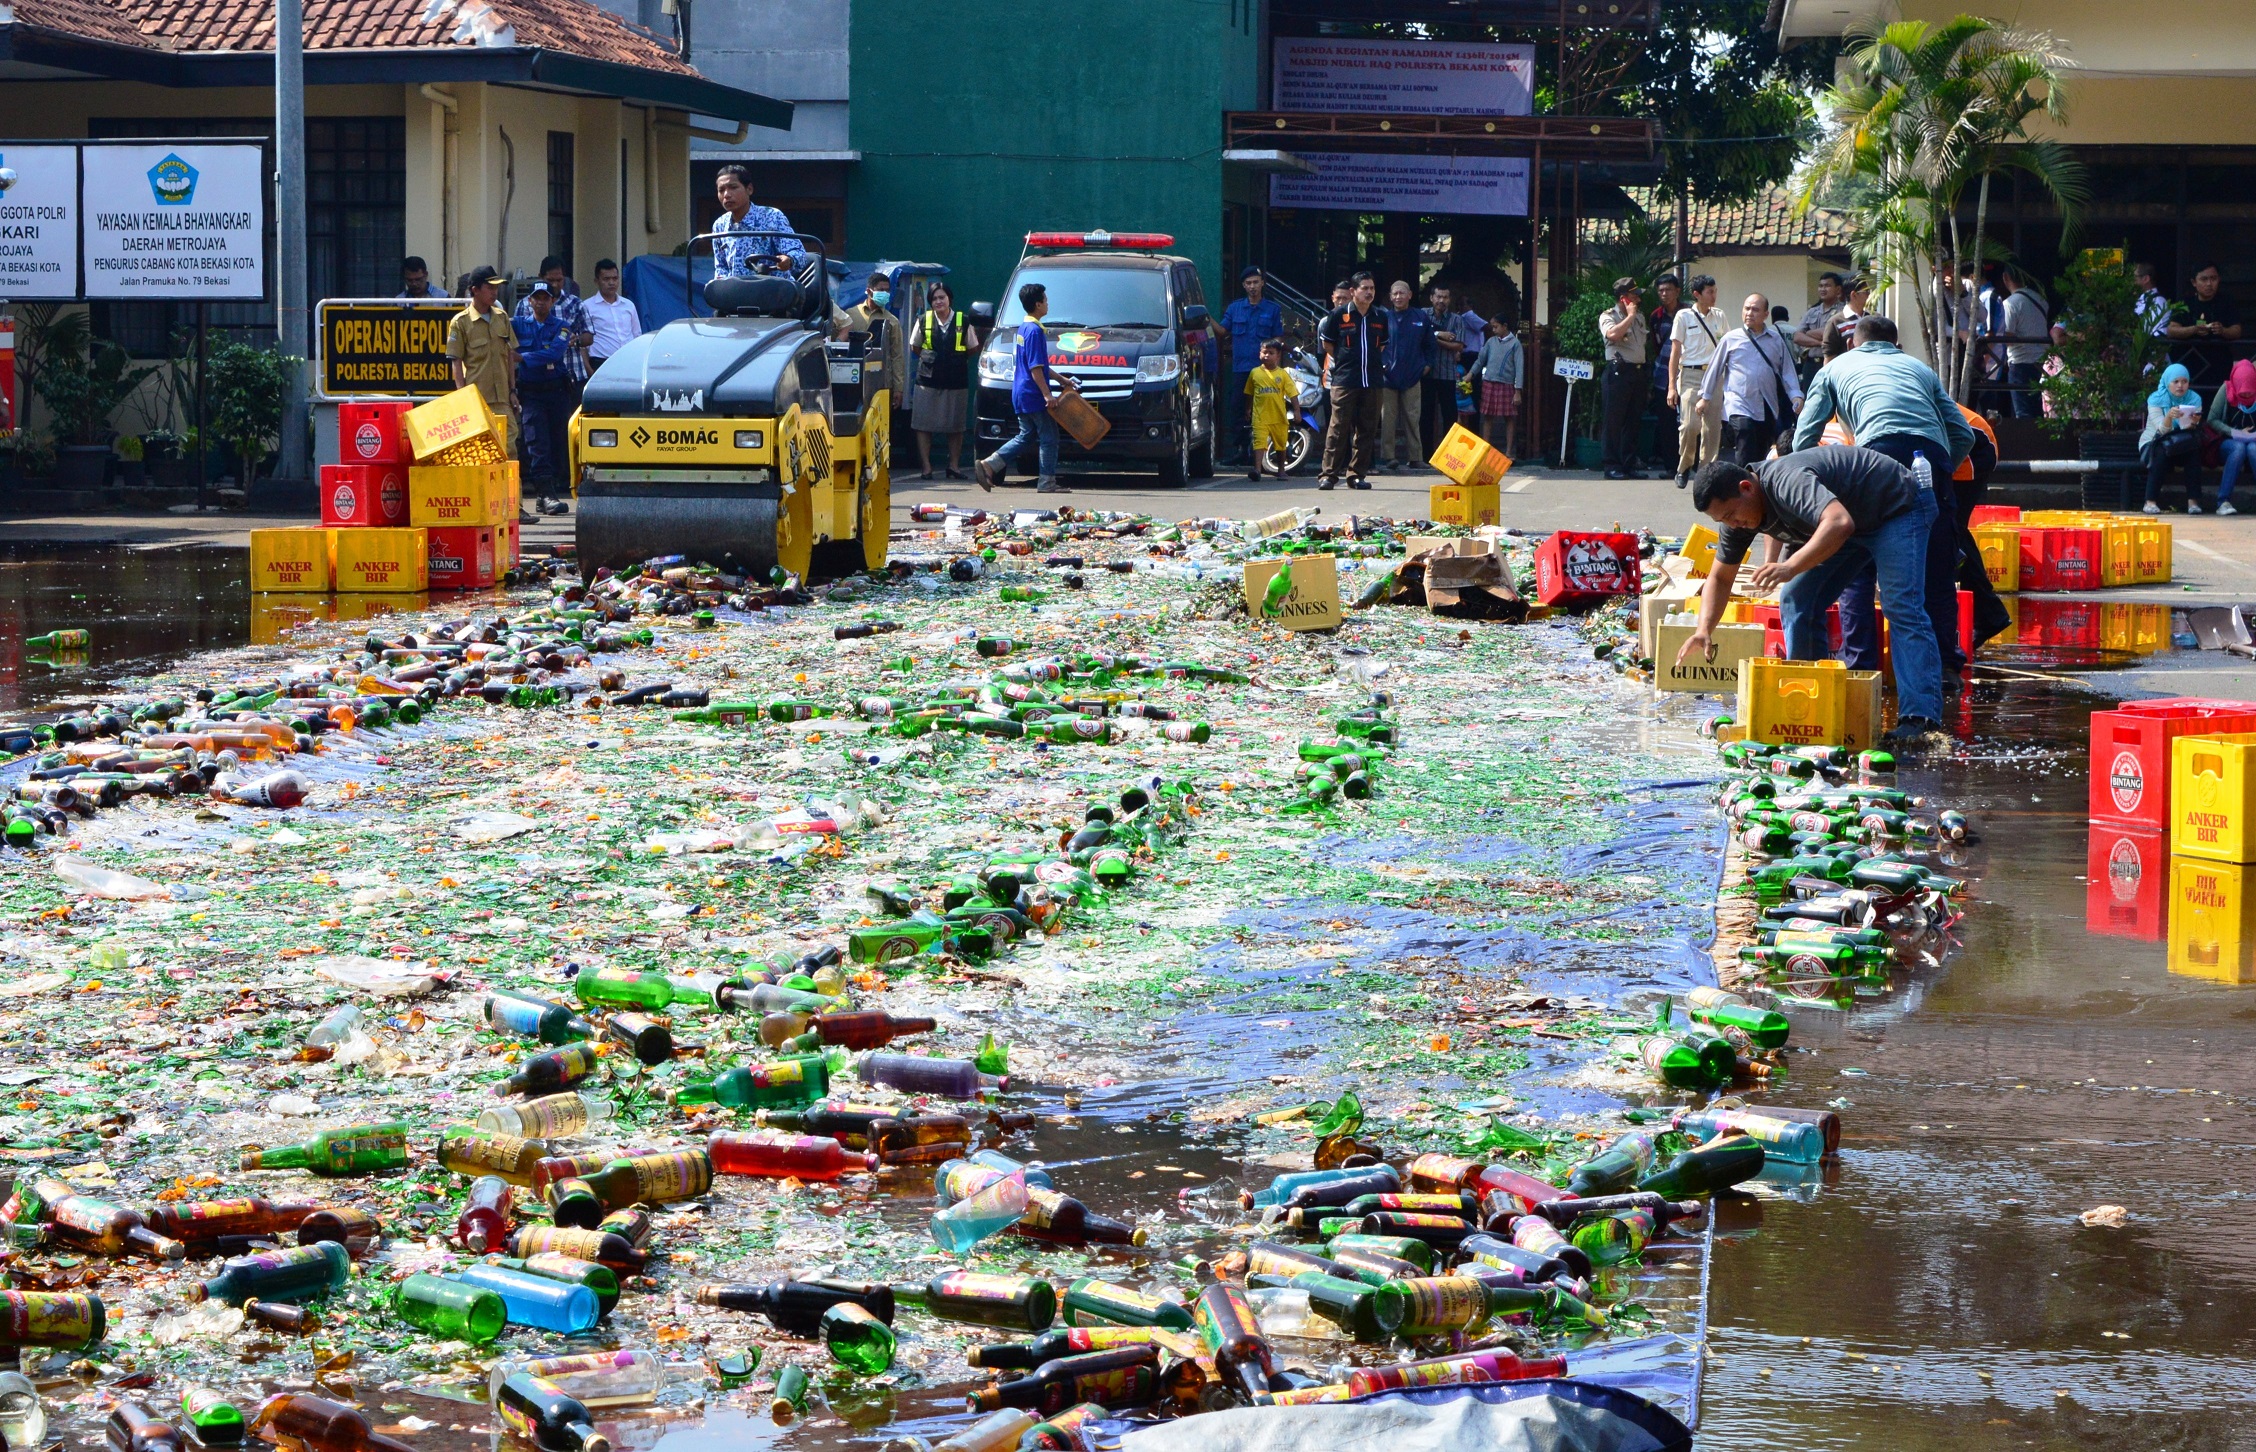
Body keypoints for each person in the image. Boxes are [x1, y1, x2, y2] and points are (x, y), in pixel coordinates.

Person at [1679, 451, 1946, 747]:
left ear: (1746, 487)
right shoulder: (1737, 516)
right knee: (1797, 597)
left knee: (1901, 605)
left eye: (1731, 515)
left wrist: (1790, 566)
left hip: (1896, 506)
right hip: (1853, 523)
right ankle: (1810, 703)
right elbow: (1719, 578)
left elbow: (1838, 522)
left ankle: (1920, 721)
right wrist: (1703, 630)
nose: (1734, 524)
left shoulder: (1786, 482)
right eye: (1723, 520)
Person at [1792, 313, 1976, 680]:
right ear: (1896, 346)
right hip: (1932, 460)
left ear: (1851, 344)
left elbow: (1802, 441)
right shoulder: (1919, 369)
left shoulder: (1834, 368)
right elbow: (1964, 436)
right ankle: (1945, 670)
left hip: (1874, 460)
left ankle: (1861, 668)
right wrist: (1937, 472)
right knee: (1936, 566)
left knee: (1859, 565)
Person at [975, 281, 1078, 495]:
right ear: (1038, 304)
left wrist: (1061, 380)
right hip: (1033, 394)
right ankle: (1047, 482)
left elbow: (1040, 364)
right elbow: (1035, 368)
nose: (1048, 304)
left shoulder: (1024, 328)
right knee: (1049, 436)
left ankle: (990, 464)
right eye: (1046, 300)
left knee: (1026, 435)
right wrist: (1047, 395)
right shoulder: (1034, 331)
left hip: (1022, 392)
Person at [1698, 293, 1801, 466]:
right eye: (1746, 308)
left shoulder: (1775, 340)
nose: (1749, 313)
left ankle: (1756, 487)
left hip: (1767, 405)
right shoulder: (1731, 339)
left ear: (1766, 315)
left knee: (1761, 451)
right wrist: (1704, 397)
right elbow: (1714, 369)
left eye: (1755, 310)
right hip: (1739, 403)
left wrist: (1796, 395)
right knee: (1745, 438)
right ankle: (1742, 484)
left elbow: (1787, 371)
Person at [1317, 273, 1387, 492]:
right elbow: (1329, 345)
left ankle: (1357, 475)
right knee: (1338, 428)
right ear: (1353, 291)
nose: (1369, 292)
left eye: (1372, 288)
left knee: (1366, 429)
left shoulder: (1380, 316)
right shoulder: (1338, 315)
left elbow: (1381, 346)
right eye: (1364, 288)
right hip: (1345, 379)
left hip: (1372, 380)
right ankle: (1328, 475)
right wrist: (1348, 358)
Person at [446, 264, 519, 471]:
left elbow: (509, 356)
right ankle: (488, 501)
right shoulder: (460, 323)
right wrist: (462, 397)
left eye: (496, 288)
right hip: (477, 399)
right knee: (481, 452)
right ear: (475, 290)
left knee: (510, 448)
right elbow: (456, 361)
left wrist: (513, 390)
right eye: (490, 287)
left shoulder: (502, 317)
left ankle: (514, 501)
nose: (494, 292)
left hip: (502, 398)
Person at [512, 281, 575, 516]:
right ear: (529, 301)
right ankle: (546, 494)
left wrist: (522, 357)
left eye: (545, 298)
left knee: (558, 443)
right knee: (537, 443)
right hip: (531, 393)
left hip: (557, 392)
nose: (541, 301)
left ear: (552, 301)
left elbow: (555, 352)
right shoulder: (517, 325)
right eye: (536, 297)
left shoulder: (562, 326)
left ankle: (545, 494)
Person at [909, 281, 981, 480]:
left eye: (942, 297)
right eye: (934, 299)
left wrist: (955, 359)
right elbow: (915, 346)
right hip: (927, 381)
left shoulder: (963, 321)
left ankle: (954, 467)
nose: (938, 301)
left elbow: (973, 347)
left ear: (950, 298)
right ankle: (926, 467)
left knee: (956, 425)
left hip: (956, 381)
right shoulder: (923, 320)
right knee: (923, 424)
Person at [1214, 267, 1282, 464]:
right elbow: (1221, 331)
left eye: (1256, 282)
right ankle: (1241, 450)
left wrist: (1271, 348)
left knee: (1266, 408)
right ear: (1244, 285)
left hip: (1265, 370)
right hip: (1241, 368)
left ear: (1262, 283)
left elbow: (1278, 335)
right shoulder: (1235, 308)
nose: (1252, 286)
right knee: (1237, 408)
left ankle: (1265, 451)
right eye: (1249, 283)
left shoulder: (1272, 309)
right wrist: (1205, 317)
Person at [1667, 274, 1725, 489]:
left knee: (1712, 429)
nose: (1714, 295)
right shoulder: (1684, 316)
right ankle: (1684, 466)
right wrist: (1672, 386)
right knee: (1690, 425)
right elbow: (1675, 352)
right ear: (1697, 295)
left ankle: (1705, 474)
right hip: (1690, 374)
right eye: (1709, 292)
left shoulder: (1720, 316)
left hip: (1714, 375)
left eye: (1715, 291)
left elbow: (1727, 346)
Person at [1377, 280, 1435, 472]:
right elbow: (1375, 345)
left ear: (1410, 295)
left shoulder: (1420, 317)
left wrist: (1427, 365)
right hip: (1387, 377)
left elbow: (1430, 345)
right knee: (1388, 418)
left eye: (1402, 293)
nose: (1398, 297)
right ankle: (1389, 456)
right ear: (1390, 296)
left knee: (1413, 417)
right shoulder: (1383, 317)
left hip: (1412, 376)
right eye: (1395, 294)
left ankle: (1415, 457)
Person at [710, 164, 806, 278]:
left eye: (733, 187)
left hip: (775, 291)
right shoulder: (719, 226)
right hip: (736, 292)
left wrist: (789, 260)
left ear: (749, 189)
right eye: (721, 190)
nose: (726, 195)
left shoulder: (772, 217)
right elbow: (721, 267)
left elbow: (799, 254)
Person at [516, 255, 592, 396]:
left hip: (571, 375)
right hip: (535, 379)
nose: (555, 284)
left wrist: (576, 340)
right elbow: (516, 337)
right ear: (540, 277)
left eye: (559, 280)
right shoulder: (525, 304)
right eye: (550, 280)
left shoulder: (576, 303)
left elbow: (589, 335)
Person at [2139, 362, 2207, 514]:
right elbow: (2161, 430)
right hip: (2154, 442)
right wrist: (2169, 417)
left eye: (2184, 381)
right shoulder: (2155, 399)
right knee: (2160, 453)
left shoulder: (2194, 399)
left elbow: (2189, 429)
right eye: (2175, 382)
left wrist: (2194, 422)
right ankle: (2150, 501)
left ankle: (2193, 503)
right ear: (2167, 382)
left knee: (2193, 453)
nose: (2180, 386)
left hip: (2179, 442)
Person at [1598, 278, 1649, 479]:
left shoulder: (1640, 318)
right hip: (1618, 372)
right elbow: (1612, 335)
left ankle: (1628, 464)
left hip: (1637, 372)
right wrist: (1629, 317)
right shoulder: (1608, 316)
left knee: (1633, 421)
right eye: (1634, 295)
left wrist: (1634, 316)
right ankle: (1611, 465)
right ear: (1624, 298)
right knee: (1613, 421)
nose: (1638, 298)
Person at [2168, 263, 2242, 393]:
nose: (2209, 284)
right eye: (2204, 279)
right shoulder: (2185, 303)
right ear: (2194, 282)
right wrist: (2193, 329)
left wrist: (2223, 330)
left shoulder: (2226, 302)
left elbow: (2236, 330)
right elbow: (2171, 330)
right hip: (2189, 365)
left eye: (2213, 279)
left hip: (2219, 364)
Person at [840, 270, 907, 407]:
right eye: (881, 290)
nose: (885, 294)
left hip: (881, 384)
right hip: (853, 380)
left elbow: (897, 356)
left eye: (887, 291)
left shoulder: (892, 321)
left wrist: (898, 388)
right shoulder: (850, 315)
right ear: (869, 291)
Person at [1463, 314, 1523, 456]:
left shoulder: (1515, 344)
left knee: (1509, 418)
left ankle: (1508, 451)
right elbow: (1480, 360)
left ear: (1505, 326)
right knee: (1487, 417)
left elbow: (1519, 368)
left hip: (1507, 384)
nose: (1494, 330)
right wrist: (1470, 374)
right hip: (1489, 382)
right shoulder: (1490, 342)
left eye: (1496, 327)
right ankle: (1484, 450)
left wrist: (1517, 390)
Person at [1996, 270, 2051, 419]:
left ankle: (2027, 442)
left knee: (2024, 414)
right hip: (2043, 363)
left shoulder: (2010, 303)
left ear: (2005, 277)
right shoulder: (2040, 299)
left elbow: (2007, 337)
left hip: (2021, 363)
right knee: (2042, 412)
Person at [1244, 338, 1299, 481]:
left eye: (1271, 353)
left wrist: (1297, 411)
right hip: (1260, 416)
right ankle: (1257, 469)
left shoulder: (1282, 374)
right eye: (1264, 352)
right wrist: (1248, 409)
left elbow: (1293, 394)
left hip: (1278, 417)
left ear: (1278, 356)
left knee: (1280, 445)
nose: (1267, 355)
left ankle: (1281, 470)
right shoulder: (1254, 373)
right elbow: (1249, 393)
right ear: (1259, 354)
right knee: (1259, 442)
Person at [2207, 359, 2256, 516]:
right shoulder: (2226, 389)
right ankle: (2223, 501)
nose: (2247, 394)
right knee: (2239, 448)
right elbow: (2212, 419)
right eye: (2243, 392)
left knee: (2253, 449)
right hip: (2229, 440)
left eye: (2250, 391)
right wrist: (2236, 433)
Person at [581, 259, 643, 373]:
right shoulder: (587, 306)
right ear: (596, 281)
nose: (611, 283)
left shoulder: (628, 305)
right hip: (601, 363)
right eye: (606, 279)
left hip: (629, 362)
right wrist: (589, 370)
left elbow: (637, 335)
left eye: (615, 278)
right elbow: (582, 345)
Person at [1794, 273, 1844, 383]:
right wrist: (1822, 343)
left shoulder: (1843, 312)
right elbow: (1797, 337)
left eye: (1827, 286)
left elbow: (1827, 333)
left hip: (1834, 363)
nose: (1822, 289)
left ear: (1838, 289)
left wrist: (1809, 333)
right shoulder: (1812, 312)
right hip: (1811, 365)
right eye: (1820, 286)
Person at [1650, 274, 1682, 415]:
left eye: (1668, 289)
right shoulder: (1655, 316)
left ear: (1677, 291)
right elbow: (1655, 345)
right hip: (1662, 375)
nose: (1664, 294)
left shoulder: (1688, 313)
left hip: (1685, 374)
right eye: (1661, 290)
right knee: (1665, 421)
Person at [2133, 262, 2173, 338]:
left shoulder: (2158, 302)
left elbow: (2158, 334)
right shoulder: (2139, 300)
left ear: (2146, 279)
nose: (2132, 281)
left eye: (2135, 277)